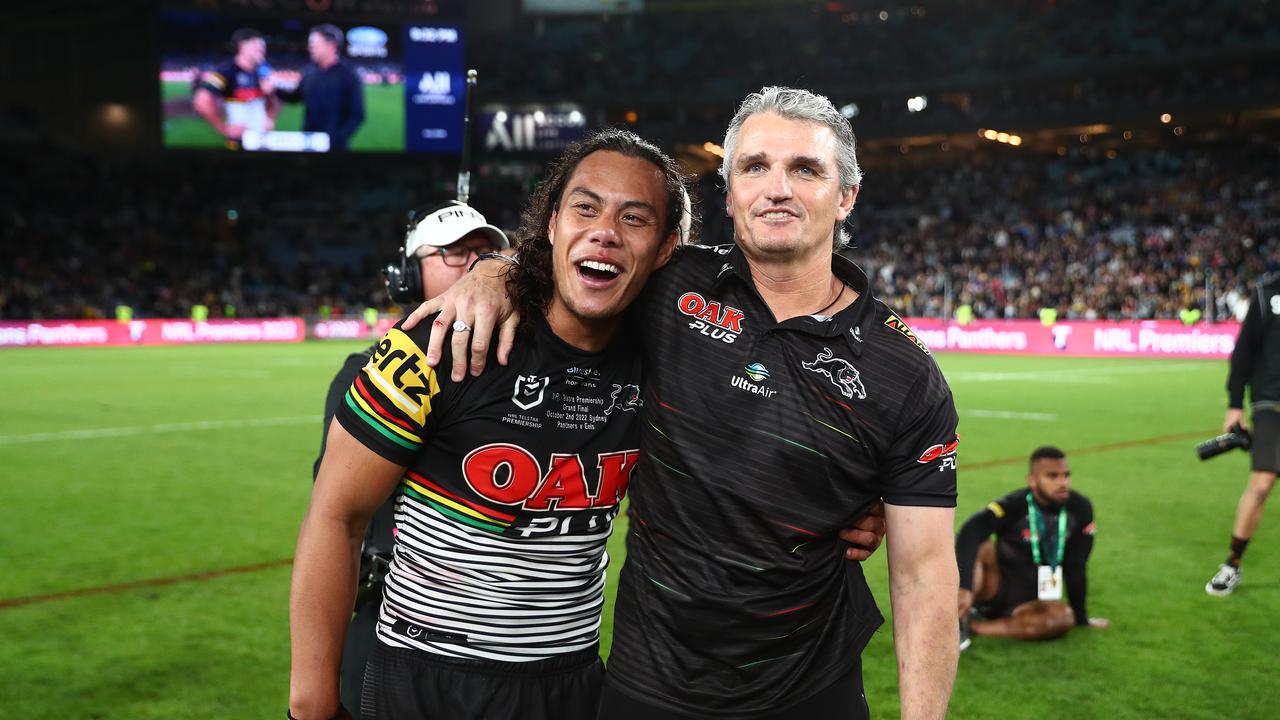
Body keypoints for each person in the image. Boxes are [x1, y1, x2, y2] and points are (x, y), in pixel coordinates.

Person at [406, 86, 960, 719]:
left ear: (846, 197)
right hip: (648, 685)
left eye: (805, 169)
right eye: (754, 167)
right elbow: (579, 254)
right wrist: (495, 270)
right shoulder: (666, 286)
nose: (776, 188)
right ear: (729, 194)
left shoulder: (903, 373)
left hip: (809, 689)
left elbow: (924, 577)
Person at [311, 200, 510, 716]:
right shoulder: (372, 373)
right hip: (391, 630)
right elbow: (336, 519)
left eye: (487, 252)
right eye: (453, 252)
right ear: (406, 275)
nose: (473, 263)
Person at [954, 446, 1107, 650]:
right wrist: (964, 588)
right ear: (1032, 480)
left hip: (1033, 603)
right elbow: (971, 530)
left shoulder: (1079, 508)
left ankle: (974, 626)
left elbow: (1076, 565)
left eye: (1066, 475)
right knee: (982, 545)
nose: (1063, 483)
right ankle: (961, 614)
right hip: (995, 589)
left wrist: (1081, 618)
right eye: (1052, 476)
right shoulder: (1014, 504)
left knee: (1063, 618)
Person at [1206, 273, 1280, 596]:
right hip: (1271, 402)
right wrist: (1235, 404)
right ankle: (1232, 564)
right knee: (1262, 483)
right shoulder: (1268, 294)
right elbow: (1244, 351)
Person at [272, 24, 365, 151]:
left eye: (314, 44)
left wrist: (337, 139)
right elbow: (297, 97)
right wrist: (275, 90)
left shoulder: (348, 75)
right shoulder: (309, 71)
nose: (310, 48)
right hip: (309, 143)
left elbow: (357, 114)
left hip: (336, 148)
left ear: (331, 45)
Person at [192, 28, 276, 144]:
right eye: (257, 47)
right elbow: (201, 100)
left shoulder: (262, 71)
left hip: (262, 138)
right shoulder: (225, 71)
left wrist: (270, 116)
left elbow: (271, 101)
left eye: (263, 48)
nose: (262, 51)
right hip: (240, 141)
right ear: (242, 46)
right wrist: (223, 129)